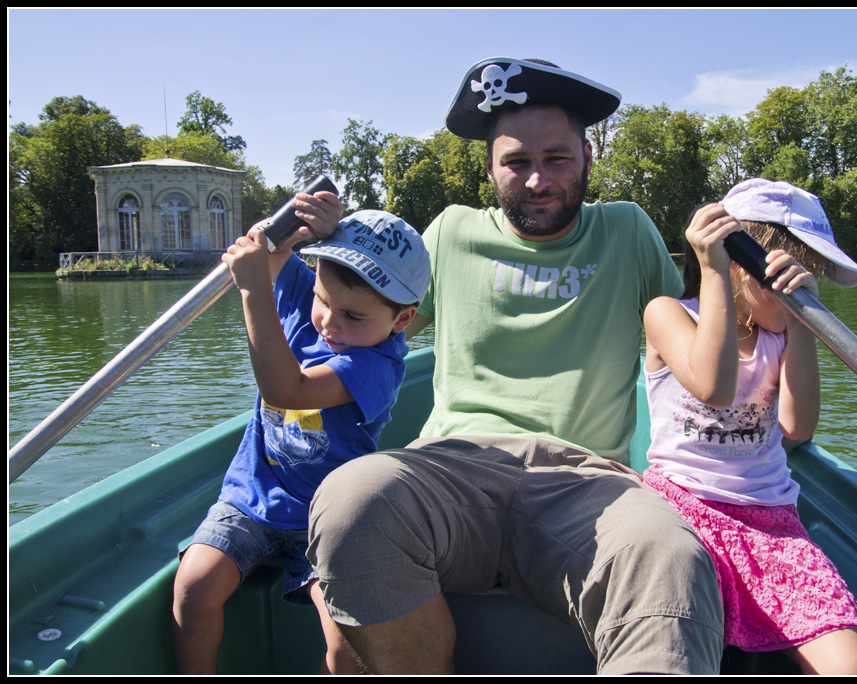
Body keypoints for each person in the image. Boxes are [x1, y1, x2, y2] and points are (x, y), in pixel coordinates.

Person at [306, 58, 723, 674]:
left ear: (587, 155)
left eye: (556, 158)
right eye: (516, 162)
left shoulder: (628, 230)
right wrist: (301, 268)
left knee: (670, 555)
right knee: (351, 499)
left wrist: (746, 287)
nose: (536, 180)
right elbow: (361, 328)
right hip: (451, 466)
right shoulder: (449, 232)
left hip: (588, 483)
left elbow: (698, 349)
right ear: (491, 168)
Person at [171, 202, 431, 675]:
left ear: (402, 319)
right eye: (323, 300)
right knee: (194, 585)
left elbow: (286, 390)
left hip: (326, 519)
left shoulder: (378, 366)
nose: (330, 323)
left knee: (347, 645)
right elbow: (262, 244)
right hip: (251, 498)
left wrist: (253, 292)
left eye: (353, 316)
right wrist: (306, 224)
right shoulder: (301, 288)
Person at [641, 179, 857, 674]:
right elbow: (715, 386)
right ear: (743, 265)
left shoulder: (786, 336)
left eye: (811, 283)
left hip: (773, 524)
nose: (805, 293)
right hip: (683, 512)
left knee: (853, 667)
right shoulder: (667, 314)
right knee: (675, 647)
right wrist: (713, 271)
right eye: (794, 281)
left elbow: (797, 425)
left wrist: (803, 323)